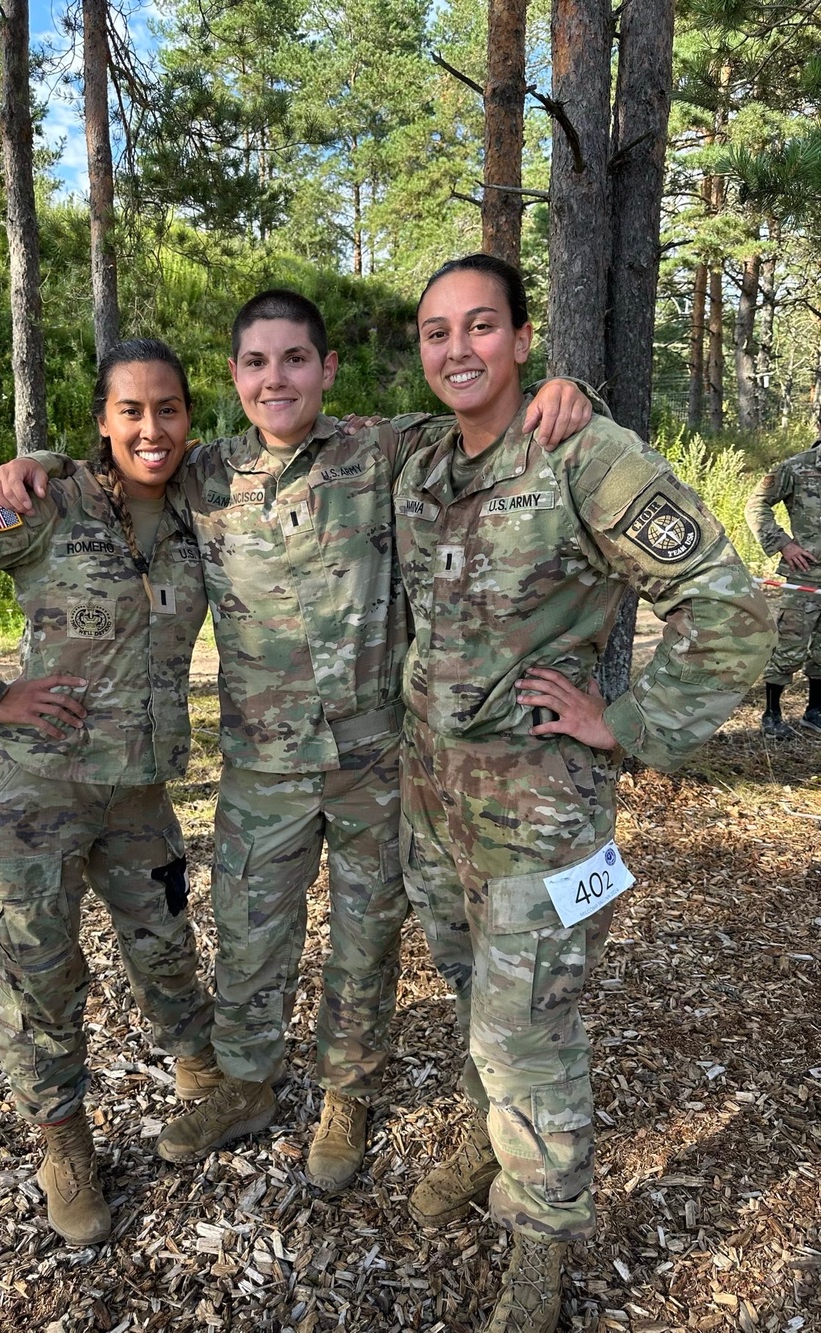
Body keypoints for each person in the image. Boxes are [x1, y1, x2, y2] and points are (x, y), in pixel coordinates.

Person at [0, 292, 595, 1194]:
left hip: (372, 764)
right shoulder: (203, 475)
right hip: (262, 765)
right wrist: (27, 463)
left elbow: (490, 420)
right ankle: (248, 1081)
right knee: (248, 934)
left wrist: (576, 390)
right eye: (258, 363)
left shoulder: (383, 451)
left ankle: (348, 1093)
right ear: (235, 377)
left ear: (327, 368)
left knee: (364, 937)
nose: (278, 378)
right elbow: (114, 467)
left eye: (296, 359)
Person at [391, 253, 774, 1332]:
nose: (456, 348)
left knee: (530, 1033)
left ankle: (540, 1247)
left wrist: (635, 722)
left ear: (520, 339)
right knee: (479, 1009)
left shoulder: (583, 456)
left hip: (545, 824)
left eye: (479, 327)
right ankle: (487, 1133)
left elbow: (731, 608)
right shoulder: (421, 461)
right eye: (436, 332)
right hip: (437, 806)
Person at [0, 338, 217, 1247]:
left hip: (140, 795)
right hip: (32, 796)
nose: (152, 428)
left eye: (168, 409)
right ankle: (63, 1139)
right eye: (131, 411)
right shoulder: (45, 502)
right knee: (39, 976)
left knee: (168, 940)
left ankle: (198, 1069)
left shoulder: (200, 509)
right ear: (101, 421)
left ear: (190, 415)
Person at [744, 437, 821, 738]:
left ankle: (815, 711)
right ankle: (771, 714)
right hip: (806, 575)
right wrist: (783, 544)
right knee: (790, 647)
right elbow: (756, 504)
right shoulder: (797, 468)